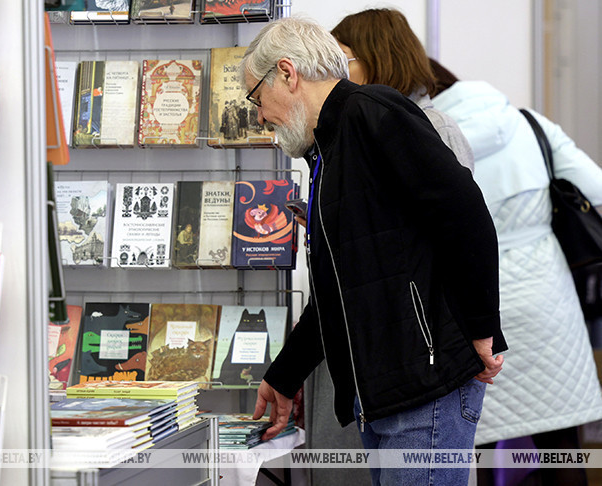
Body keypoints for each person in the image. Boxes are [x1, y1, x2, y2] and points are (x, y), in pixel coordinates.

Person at [241, 16, 506, 485]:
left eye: (256, 97)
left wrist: (484, 330)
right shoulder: (328, 149)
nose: (260, 114)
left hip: (425, 385)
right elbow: (341, 289)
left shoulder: (372, 112)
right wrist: (285, 374)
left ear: (287, 72)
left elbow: (467, 216)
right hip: (385, 394)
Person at [431, 58, 602, 486]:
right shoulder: (528, 123)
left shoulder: (431, 137)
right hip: (548, 302)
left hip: (478, 307)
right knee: (561, 440)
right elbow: (594, 187)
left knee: (483, 443)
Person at [330, 8, 474, 174]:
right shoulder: (354, 126)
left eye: (342, 61)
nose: (335, 74)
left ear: (378, 61)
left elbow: (456, 199)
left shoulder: (436, 129)